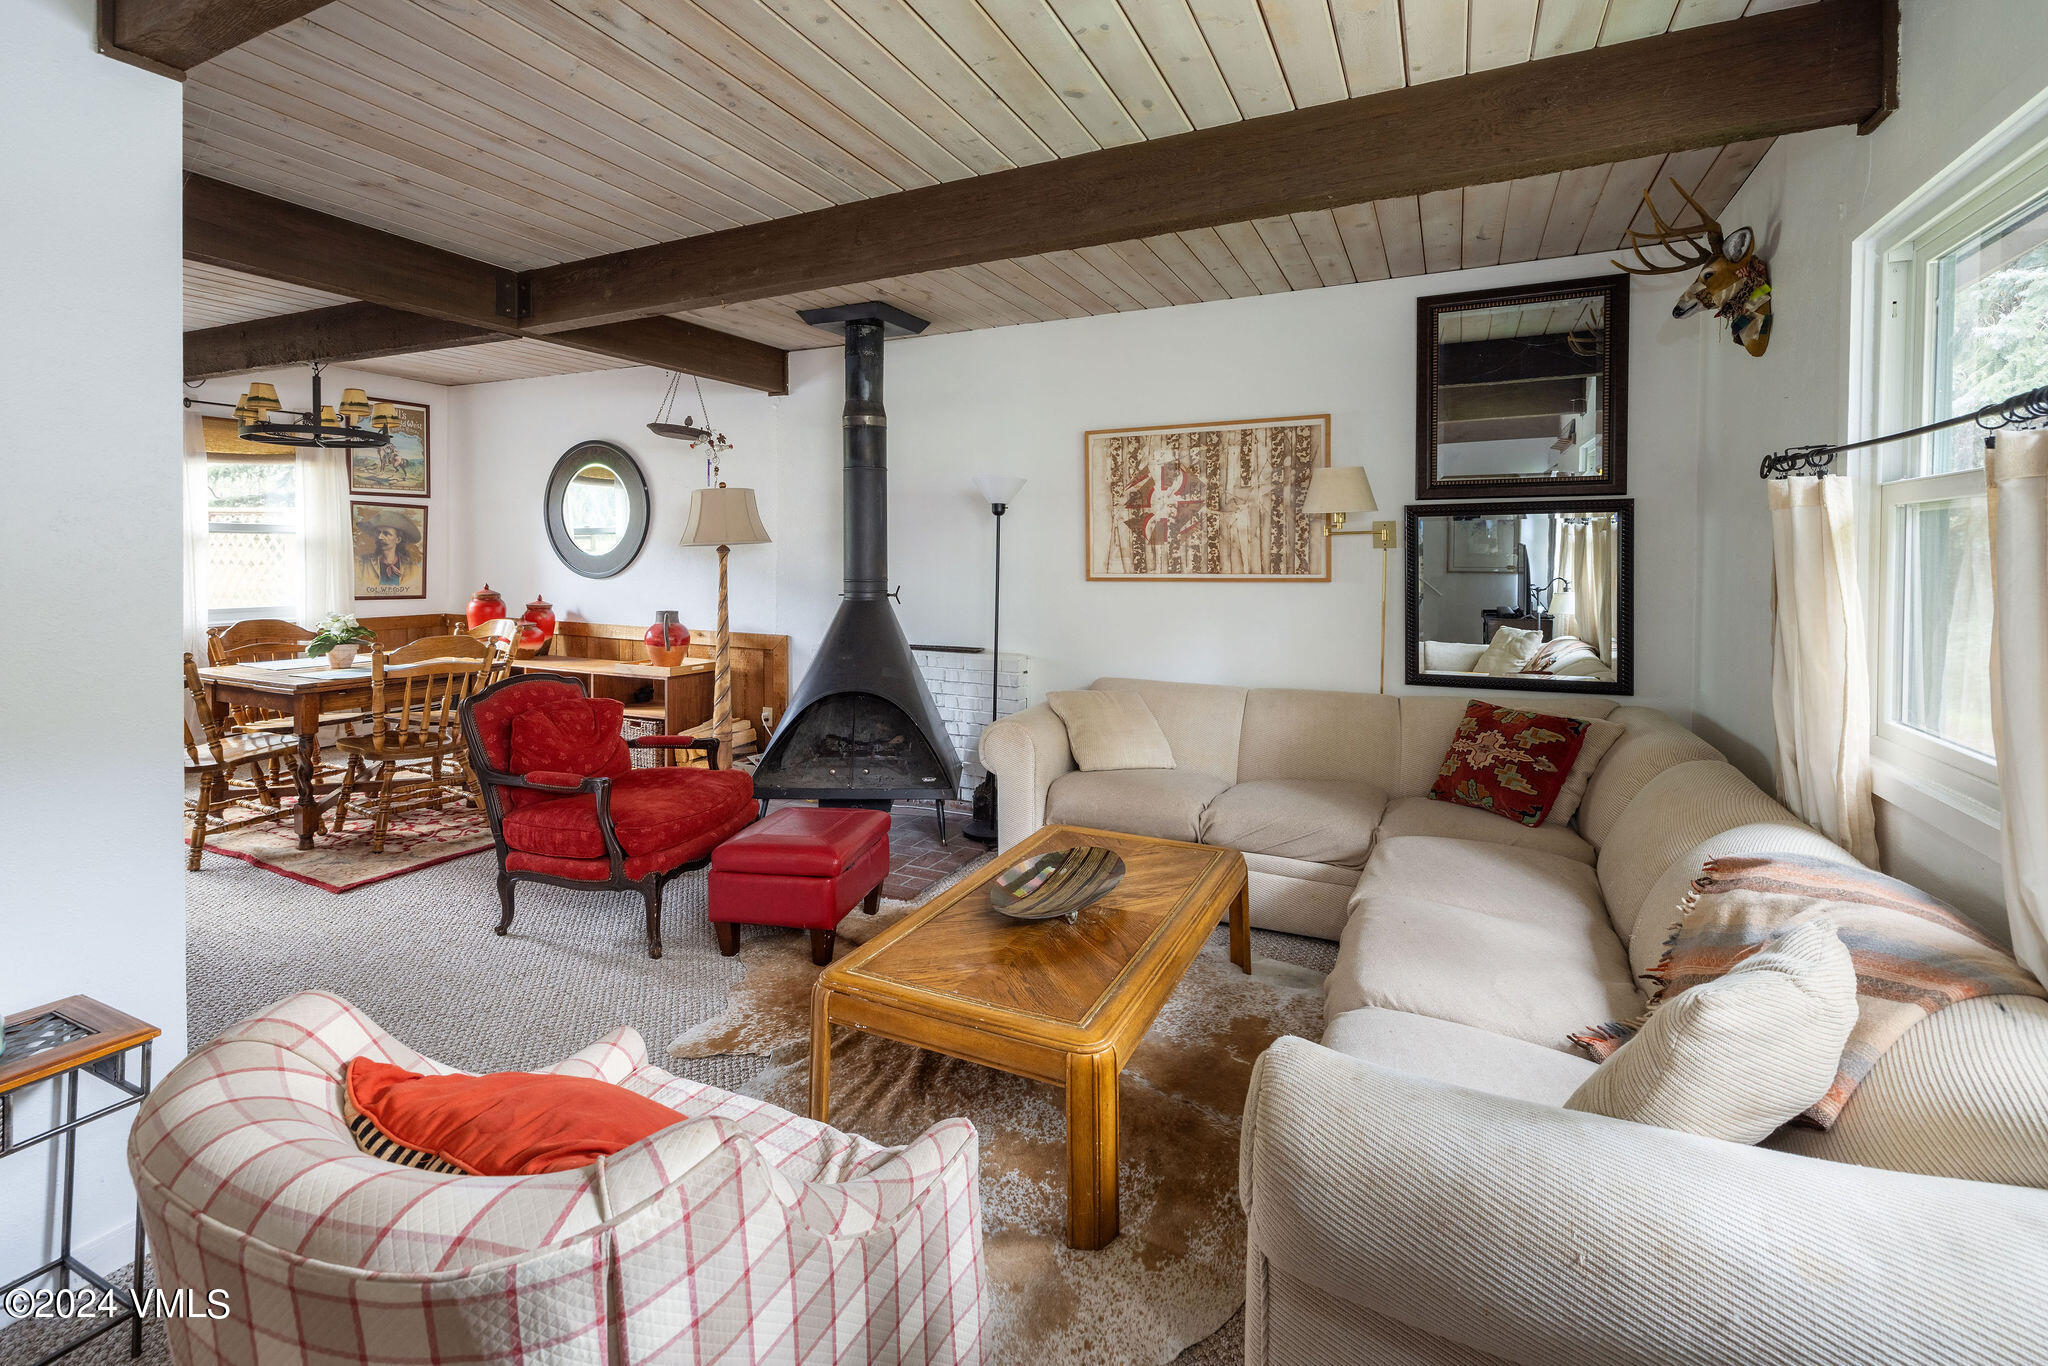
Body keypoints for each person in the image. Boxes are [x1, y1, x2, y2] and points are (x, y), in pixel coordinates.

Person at [356, 508, 421, 591]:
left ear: (398, 540)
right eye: (378, 532)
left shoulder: (412, 568)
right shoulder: (363, 564)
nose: (380, 537)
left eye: (386, 534)